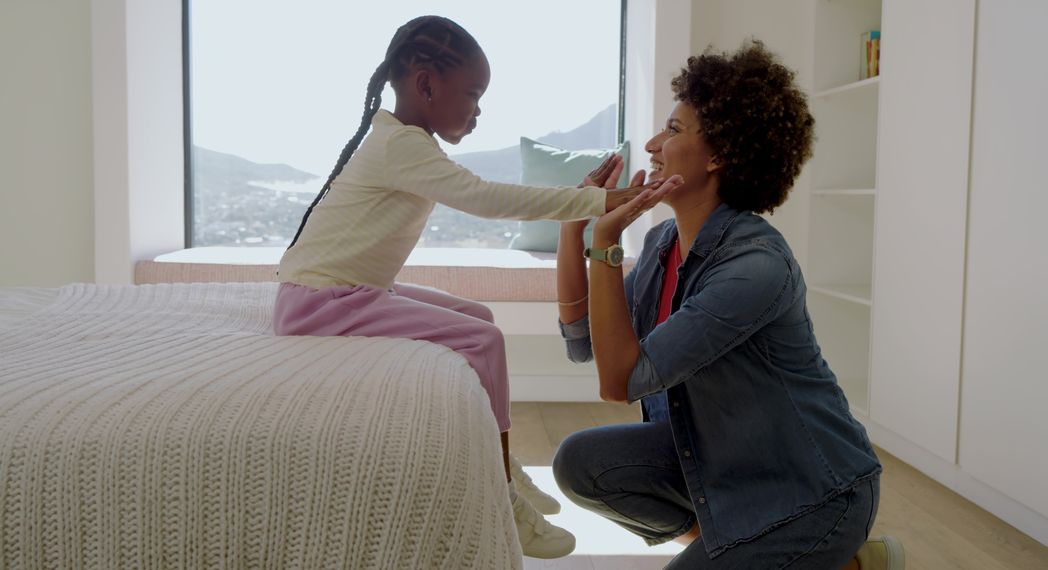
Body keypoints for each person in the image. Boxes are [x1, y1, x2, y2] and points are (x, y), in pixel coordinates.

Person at [273, 15, 666, 559]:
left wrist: (583, 197)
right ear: (427, 85)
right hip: (320, 304)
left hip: (336, 292)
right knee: (486, 342)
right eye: (473, 94)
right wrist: (596, 202)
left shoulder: (407, 142)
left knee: (477, 316)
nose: (478, 110)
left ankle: (501, 464)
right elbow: (484, 199)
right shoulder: (402, 148)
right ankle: (499, 492)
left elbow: (485, 193)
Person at [551, 41, 905, 569]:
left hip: (810, 492)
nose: (652, 144)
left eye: (672, 131)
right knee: (581, 463)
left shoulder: (754, 266)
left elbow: (619, 382)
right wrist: (572, 224)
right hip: (722, 465)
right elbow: (582, 340)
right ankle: (742, 548)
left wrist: (604, 248)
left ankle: (842, 558)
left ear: (718, 155)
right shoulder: (663, 244)